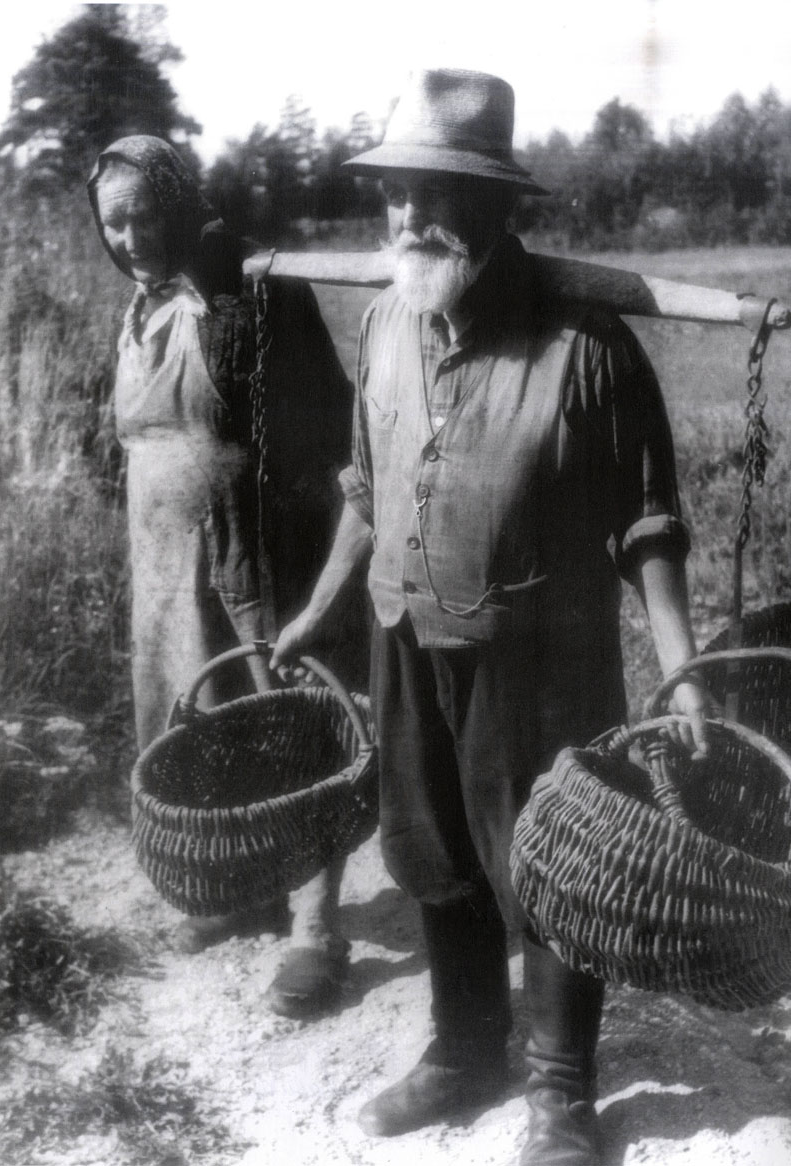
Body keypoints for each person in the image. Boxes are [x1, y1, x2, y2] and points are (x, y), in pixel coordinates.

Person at [271, 69, 711, 1165]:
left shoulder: (586, 350)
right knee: (431, 847)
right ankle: (463, 1048)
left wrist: (679, 669)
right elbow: (367, 493)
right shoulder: (384, 320)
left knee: (552, 866)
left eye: (437, 193)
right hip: (403, 636)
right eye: (395, 194)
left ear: (497, 205)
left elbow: (646, 525)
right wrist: (318, 608)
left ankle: (560, 1090)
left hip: (539, 660)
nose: (409, 217)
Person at [88, 134, 365, 1019]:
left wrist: (302, 556)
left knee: (282, 720)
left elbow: (326, 433)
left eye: (146, 216)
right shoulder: (137, 312)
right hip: (163, 565)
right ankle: (232, 891)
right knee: (187, 715)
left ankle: (316, 927)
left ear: (180, 204)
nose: (132, 238)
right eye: (114, 223)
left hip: (247, 547)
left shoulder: (252, 293)